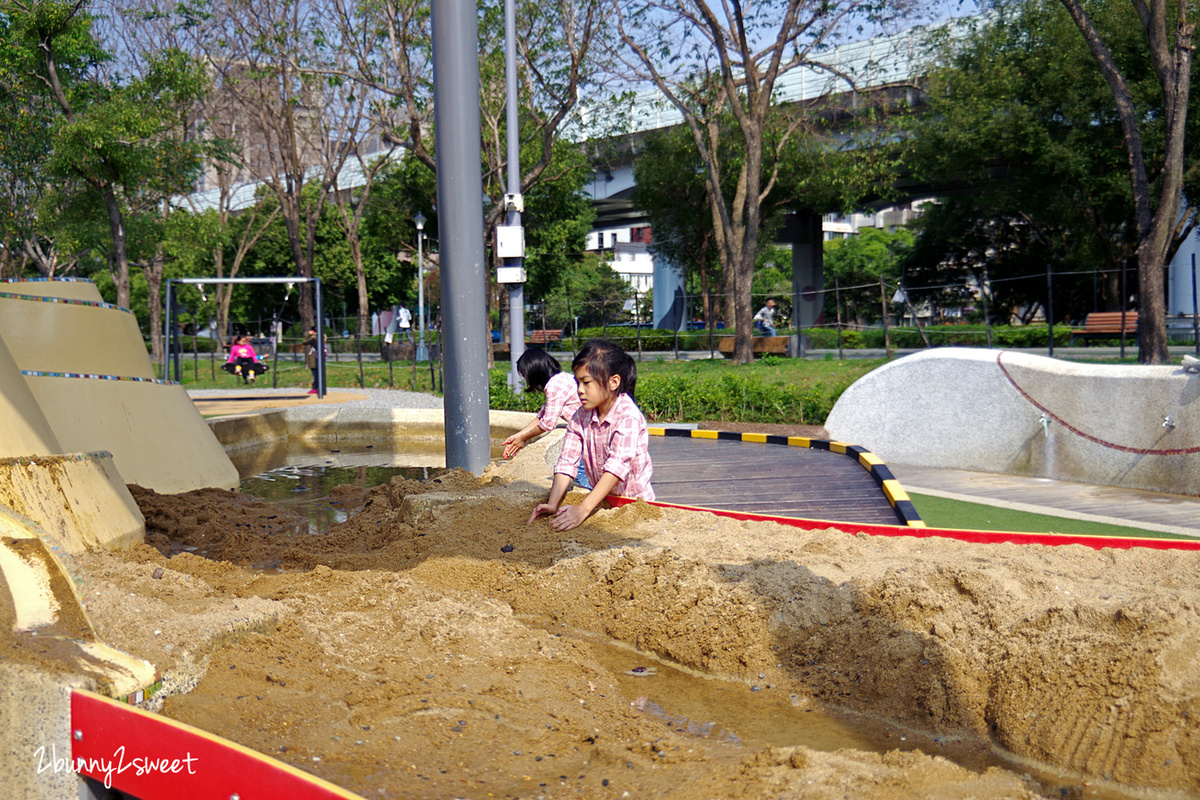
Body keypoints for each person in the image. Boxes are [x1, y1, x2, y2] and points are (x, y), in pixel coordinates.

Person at [528, 339, 654, 532]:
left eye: (586, 382)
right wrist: (552, 503)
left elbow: (616, 468)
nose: (579, 390)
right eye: (577, 382)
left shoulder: (628, 416)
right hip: (602, 500)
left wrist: (582, 510)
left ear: (614, 382)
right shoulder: (581, 415)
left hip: (634, 503)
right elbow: (566, 461)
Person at [501, 348, 590, 488]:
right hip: (588, 429)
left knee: (580, 473)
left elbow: (547, 424)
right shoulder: (561, 378)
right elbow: (541, 416)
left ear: (533, 372)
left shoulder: (554, 386)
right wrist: (518, 436)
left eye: (524, 375)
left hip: (590, 431)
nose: (525, 380)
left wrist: (523, 438)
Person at [303, 327, 320, 395]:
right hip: (319, 357)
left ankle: (315, 387)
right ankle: (318, 387)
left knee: (315, 373)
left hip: (314, 358)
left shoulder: (314, 338)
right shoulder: (322, 337)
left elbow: (304, 342)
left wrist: (308, 335)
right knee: (318, 373)